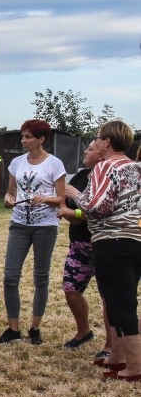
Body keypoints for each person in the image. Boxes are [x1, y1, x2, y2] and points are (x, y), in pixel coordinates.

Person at [71, 120, 141, 382]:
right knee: (123, 299)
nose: (97, 142)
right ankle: (119, 357)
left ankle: (134, 367)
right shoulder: (135, 167)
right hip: (136, 238)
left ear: (107, 142)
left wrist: (76, 195)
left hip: (112, 241)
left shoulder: (105, 167)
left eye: (98, 138)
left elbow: (97, 206)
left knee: (119, 303)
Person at [0, 120, 66, 345]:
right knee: (10, 277)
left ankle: (35, 328)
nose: (23, 141)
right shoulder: (16, 162)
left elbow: (61, 199)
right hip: (19, 225)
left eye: (28, 137)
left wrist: (45, 198)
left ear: (41, 139)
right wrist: (8, 199)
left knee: (41, 278)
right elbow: (10, 192)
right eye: (22, 136)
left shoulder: (55, 164)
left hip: (45, 226)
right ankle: (13, 329)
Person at [56, 141, 112, 354]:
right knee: (71, 290)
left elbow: (101, 211)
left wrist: (74, 213)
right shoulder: (80, 177)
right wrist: (63, 208)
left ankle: (110, 345)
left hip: (102, 243)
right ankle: (84, 332)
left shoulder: (105, 179)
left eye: (90, 149)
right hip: (78, 245)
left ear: (101, 154)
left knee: (108, 296)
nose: (85, 152)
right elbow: (64, 200)